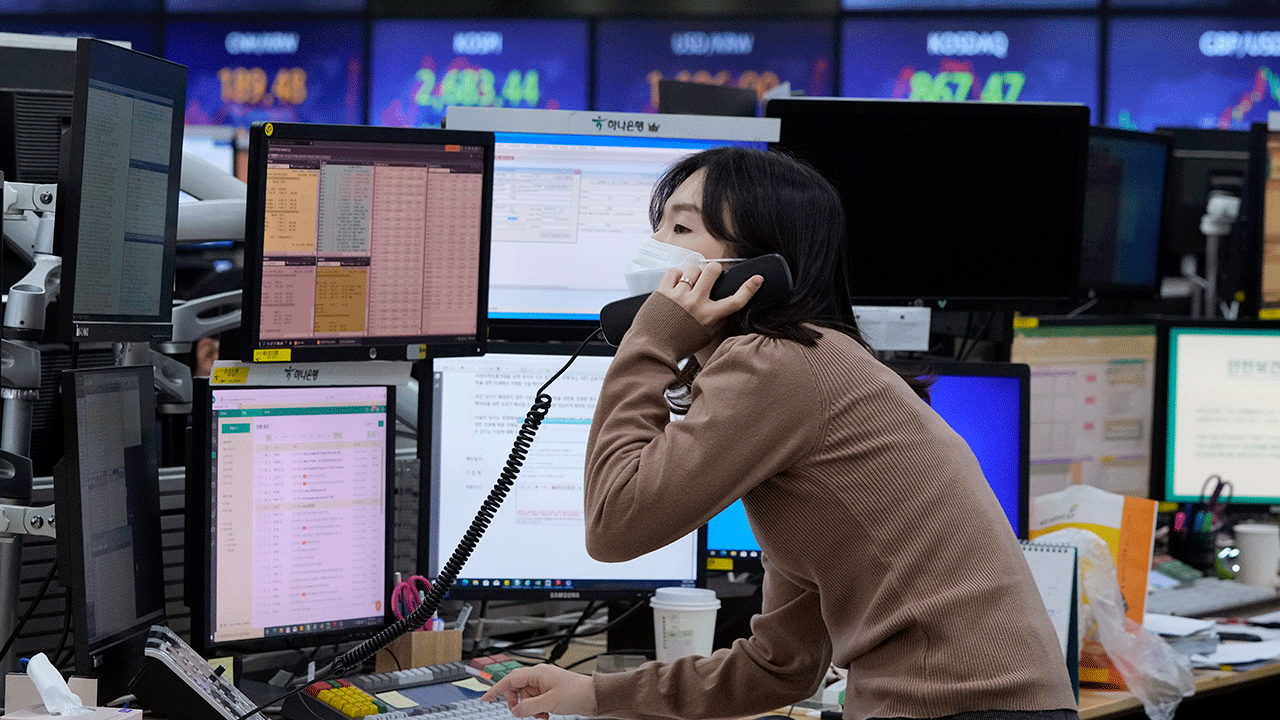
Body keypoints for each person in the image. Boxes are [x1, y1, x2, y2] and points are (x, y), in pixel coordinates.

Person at [482, 147, 1077, 720]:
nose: (654, 249)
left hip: (953, 708)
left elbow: (615, 524)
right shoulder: (811, 369)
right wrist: (595, 694)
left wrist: (650, 343)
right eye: (657, 226)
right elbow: (782, 666)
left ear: (753, 270)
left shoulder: (777, 364)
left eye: (682, 230)